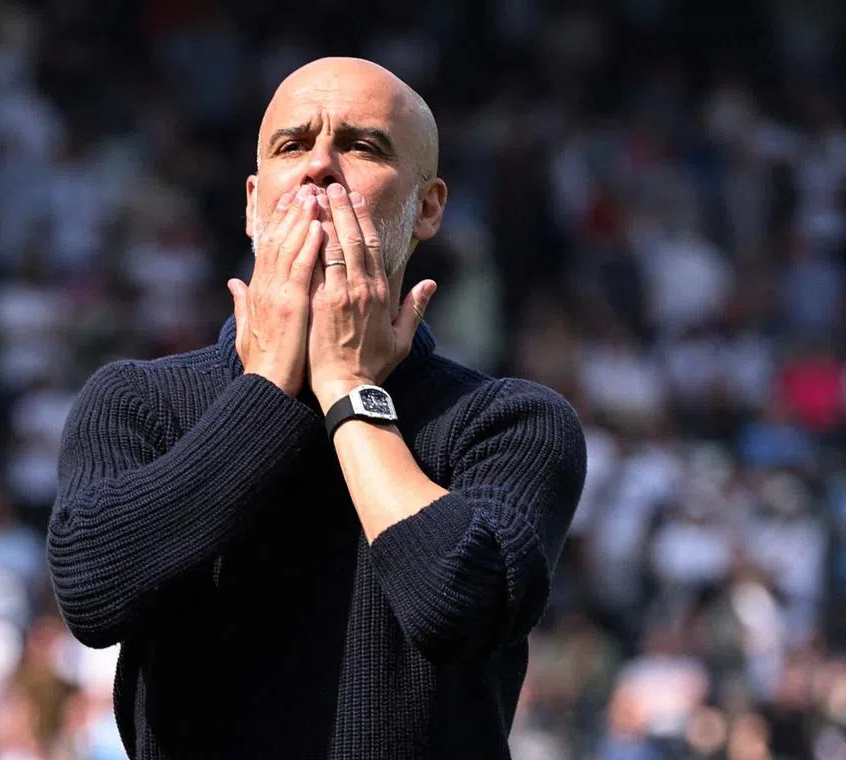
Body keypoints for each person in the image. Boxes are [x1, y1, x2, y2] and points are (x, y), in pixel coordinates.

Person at [46, 57, 587, 760]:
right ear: (251, 200)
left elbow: (456, 603)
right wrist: (269, 382)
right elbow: (93, 593)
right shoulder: (137, 402)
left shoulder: (508, 420)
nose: (320, 168)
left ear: (428, 207)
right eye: (292, 145)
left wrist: (347, 387)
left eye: (362, 146)